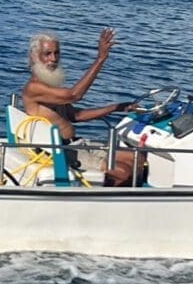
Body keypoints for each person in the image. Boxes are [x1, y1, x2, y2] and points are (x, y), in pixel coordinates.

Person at [22, 28, 138, 186]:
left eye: (56, 53)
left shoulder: (50, 85)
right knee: (123, 171)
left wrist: (115, 108)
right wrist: (101, 58)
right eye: (47, 54)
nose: (53, 58)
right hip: (62, 151)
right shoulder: (34, 88)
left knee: (135, 156)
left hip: (76, 144)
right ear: (34, 56)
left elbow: (76, 115)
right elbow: (75, 95)